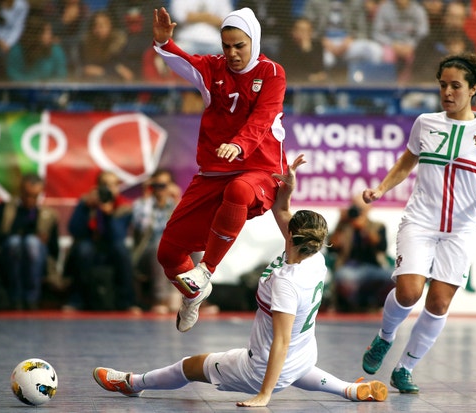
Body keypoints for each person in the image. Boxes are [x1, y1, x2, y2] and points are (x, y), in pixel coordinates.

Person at [93, 154, 389, 406]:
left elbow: (281, 342)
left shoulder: (286, 283)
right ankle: (350, 390)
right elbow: (282, 210)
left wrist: (264, 395)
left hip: (260, 368)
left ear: (291, 236)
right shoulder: (316, 258)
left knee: (189, 367)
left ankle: (132, 383)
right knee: (296, 367)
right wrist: (288, 187)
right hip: (303, 355)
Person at [360, 52, 476, 393]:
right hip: (420, 222)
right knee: (409, 292)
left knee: (439, 302)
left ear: (473, 89)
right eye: (443, 85)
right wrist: (381, 189)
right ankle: (385, 337)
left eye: (455, 86)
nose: (447, 92)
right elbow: (406, 162)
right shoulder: (425, 123)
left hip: (461, 229)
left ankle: (405, 368)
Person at [152, 7, 289, 332]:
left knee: (239, 190)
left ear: (254, 41)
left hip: (261, 170)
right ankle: (194, 294)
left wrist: (239, 145)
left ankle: (206, 270)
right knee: (168, 253)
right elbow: (185, 62)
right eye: (227, 46)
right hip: (214, 172)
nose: (232, 53)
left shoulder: (272, 72)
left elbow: (262, 118)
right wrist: (164, 43)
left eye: (239, 46)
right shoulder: (214, 68)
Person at [63, 171, 139, 312]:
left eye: (113, 185)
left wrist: (108, 215)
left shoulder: (124, 207)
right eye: (105, 185)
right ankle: (76, 300)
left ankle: (127, 301)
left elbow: (118, 235)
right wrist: (86, 207)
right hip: (91, 242)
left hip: (112, 245)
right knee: (83, 250)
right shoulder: (86, 202)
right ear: (97, 187)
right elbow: (74, 230)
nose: (109, 189)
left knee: (121, 250)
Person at [0, 173, 60, 310]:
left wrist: (44, 242)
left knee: (32, 243)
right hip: (7, 258)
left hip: (37, 261)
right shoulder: (5, 209)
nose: (30, 199)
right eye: (27, 194)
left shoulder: (49, 215)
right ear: (20, 191)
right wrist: (12, 236)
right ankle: (15, 297)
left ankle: (31, 298)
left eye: (34, 196)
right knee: (15, 242)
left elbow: (55, 251)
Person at [327, 195, 394, 312]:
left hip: (374, 267)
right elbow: (331, 248)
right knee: (343, 276)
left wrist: (364, 229)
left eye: (362, 208)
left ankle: (376, 304)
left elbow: (381, 247)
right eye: (356, 207)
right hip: (349, 267)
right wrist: (340, 223)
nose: (359, 211)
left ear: (369, 208)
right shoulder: (344, 226)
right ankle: (352, 306)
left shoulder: (378, 226)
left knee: (394, 276)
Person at [131, 169, 182, 313]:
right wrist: (147, 197)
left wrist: (177, 198)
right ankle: (160, 298)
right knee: (159, 247)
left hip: (172, 251)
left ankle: (195, 296)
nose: (160, 190)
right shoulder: (142, 205)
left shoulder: (175, 204)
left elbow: (185, 227)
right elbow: (142, 226)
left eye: (163, 185)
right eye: (156, 185)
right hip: (147, 253)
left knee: (195, 250)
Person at [372, 0, 429, 83]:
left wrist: (411, 45)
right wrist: (392, 44)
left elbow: (423, 34)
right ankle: (388, 84)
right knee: (387, 55)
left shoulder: (418, 10)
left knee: (416, 57)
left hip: (411, 47)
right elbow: (377, 33)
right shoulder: (384, 8)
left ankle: (407, 85)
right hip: (390, 46)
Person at [6, 14, 67, 81]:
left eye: (50, 31)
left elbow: (61, 76)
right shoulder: (17, 51)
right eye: (47, 32)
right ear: (35, 34)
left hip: (49, 87)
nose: (51, 35)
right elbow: (13, 75)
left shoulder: (56, 50)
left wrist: (46, 85)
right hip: (23, 87)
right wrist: (33, 84)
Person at [79, 11, 129, 82]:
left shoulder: (119, 45)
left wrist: (101, 71)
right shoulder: (85, 45)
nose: (98, 29)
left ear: (110, 26)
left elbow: (124, 72)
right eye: (95, 26)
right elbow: (84, 69)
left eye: (101, 26)